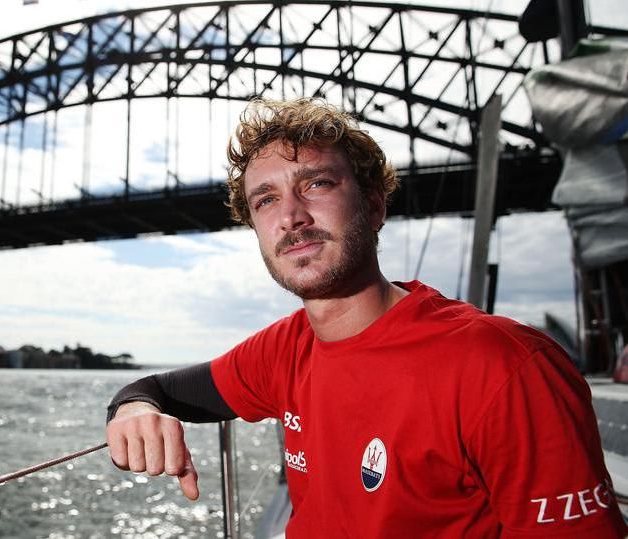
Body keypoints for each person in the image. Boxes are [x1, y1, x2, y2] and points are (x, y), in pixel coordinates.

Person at [105, 97, 628, 537]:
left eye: (317, 185)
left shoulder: (505, 366)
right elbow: (157, 389)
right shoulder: (286, 348)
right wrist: (131, 411)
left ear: (375, 206)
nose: (291, 216)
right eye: (266, 200)